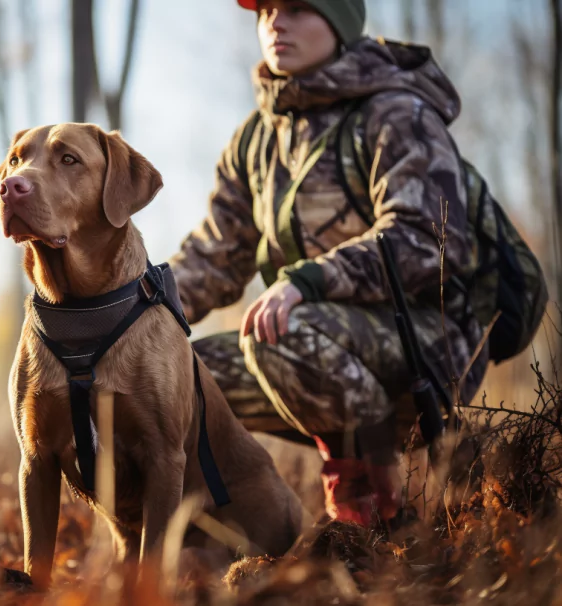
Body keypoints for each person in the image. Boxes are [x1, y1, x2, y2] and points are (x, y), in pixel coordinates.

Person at [168, 0, 489, 525]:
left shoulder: (395, 112)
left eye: (296, 7)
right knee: (179, 382)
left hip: (429, 345)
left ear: (339, 21)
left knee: (278, 329)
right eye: (265, 9)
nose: (275, 22)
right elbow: (216, 257)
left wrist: (308, 281)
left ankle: (373, 517)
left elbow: (427, 239)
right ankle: (225, 538)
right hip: (312, 346)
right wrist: (126, 310)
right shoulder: (255, 139)